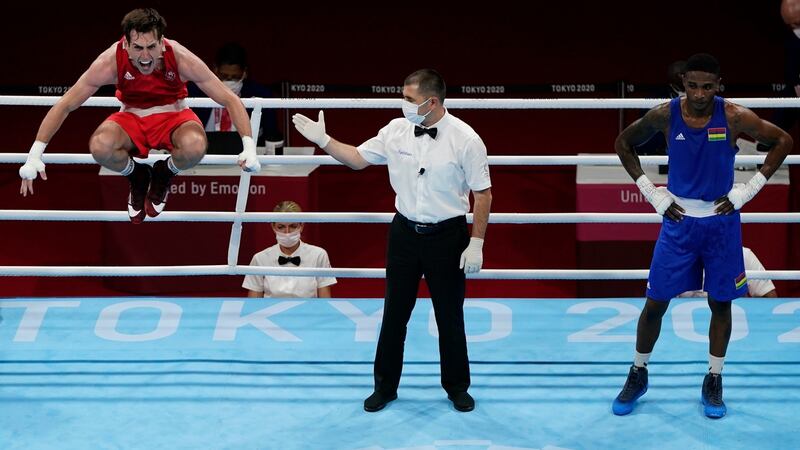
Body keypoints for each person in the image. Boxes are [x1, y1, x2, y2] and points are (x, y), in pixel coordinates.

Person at [292, 69, 492, 413]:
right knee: (394, 314)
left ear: (432, 102)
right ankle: (385, 387)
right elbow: (356, 159)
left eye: (409, 99)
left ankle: (457, 387)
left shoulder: (466, 139)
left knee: (449, 316)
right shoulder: (395, 130)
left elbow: (483, 194)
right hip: (403, 234)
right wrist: (324, 141)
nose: (403, 104)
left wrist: (476, 242)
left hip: (448, 235)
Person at [612, 53, 792, 419]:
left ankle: (714, 377)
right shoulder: (666, 114)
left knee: (721, 304)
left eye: (707, 86)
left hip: (722, 224)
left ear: (718, 85)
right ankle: (638, 372)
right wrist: (653, 193)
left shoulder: (735, 116)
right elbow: (623, 143)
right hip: (677, 222)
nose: (698, 93)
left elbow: (783, 141)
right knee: (656, 302)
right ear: (683, 83)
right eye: (692, 85)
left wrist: (747, 190)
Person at [18, 8, 261, 224]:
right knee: (100, 146)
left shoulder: (179, 57)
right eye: (138, 48)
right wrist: (35, 154)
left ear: (161, 41)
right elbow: (66, 104)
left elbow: (229, 98)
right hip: (131, 118)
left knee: (195, 146)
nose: (145, 57)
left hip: (174, 116)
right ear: (126, 44)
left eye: (151, 47)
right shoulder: (109, 61)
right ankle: (137, 175)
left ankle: (164, 174)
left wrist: (249, 146)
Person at [188, 42, 284, 151]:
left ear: (244, 73)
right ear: (215, 69)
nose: (229, 81)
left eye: (235, 77)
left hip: (248, 156)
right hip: (201, 155)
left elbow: (272, 135)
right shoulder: (195, 91)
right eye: (224, 76)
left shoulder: (261, 95)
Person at [242, 200, 336, 298]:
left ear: (301, 226)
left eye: (293, 226)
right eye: (281, 227)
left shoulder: (319, 255)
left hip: (307, 313)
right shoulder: (260, 258)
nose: (287, 232)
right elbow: (253, 305)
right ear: (273, 227)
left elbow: (325, 302)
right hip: (272, 313)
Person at [679, 247, 777, 298]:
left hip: (737, 325)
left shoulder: (742, 255)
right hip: (685, 327)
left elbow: (769, 297)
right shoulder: (675, 261)